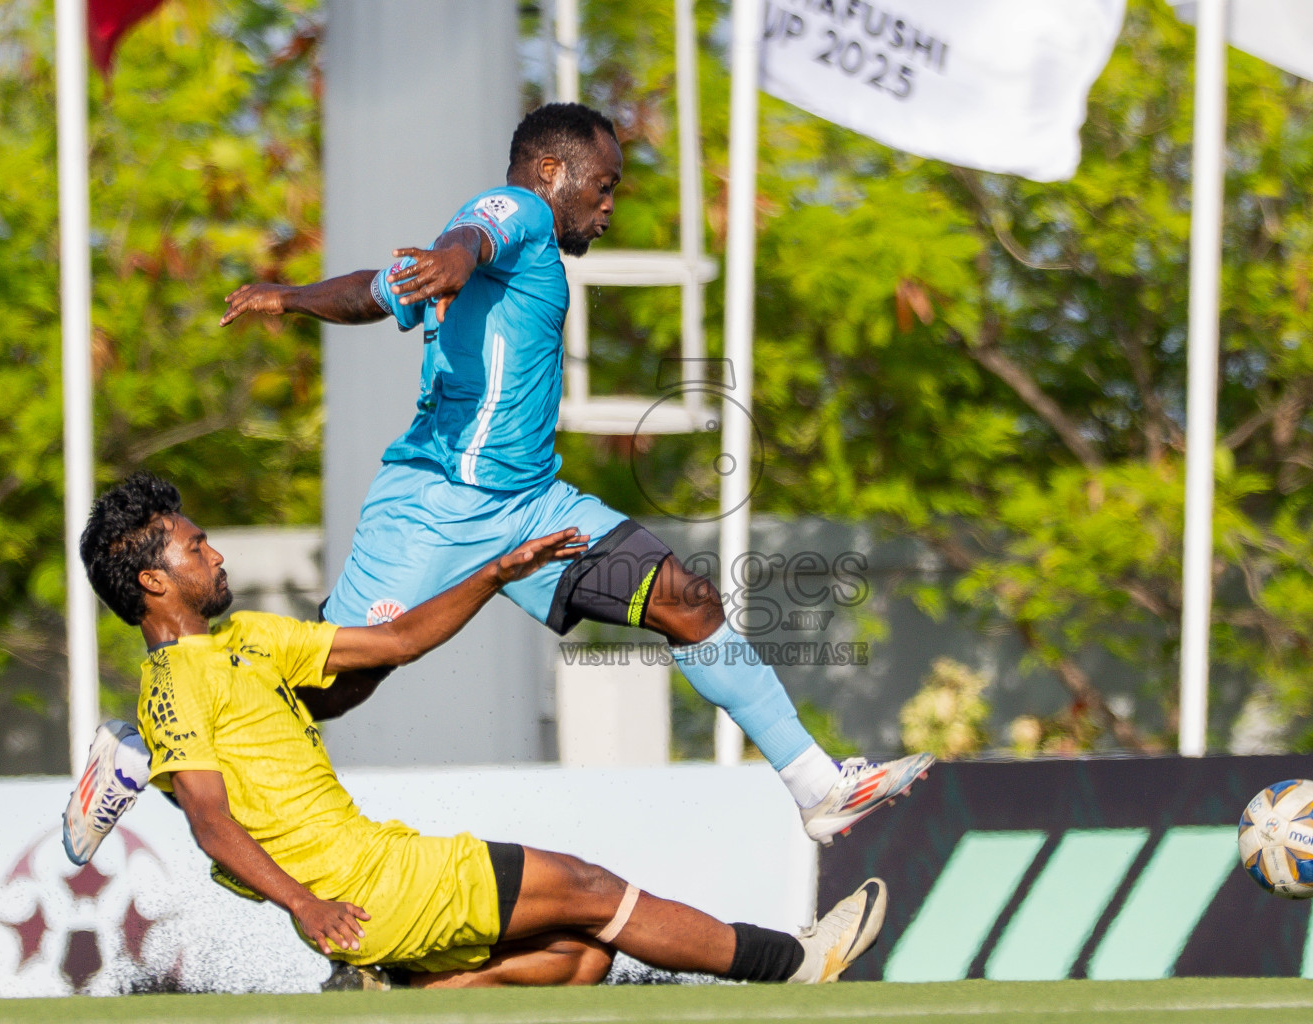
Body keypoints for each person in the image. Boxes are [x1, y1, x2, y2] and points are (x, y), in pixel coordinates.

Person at [213, 101, 931, 842]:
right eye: (604, 186)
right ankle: (148, 743)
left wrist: (292, 296)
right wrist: (457, 256)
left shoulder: (514, 257)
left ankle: (817, 786)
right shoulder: (517, 209)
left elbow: (373, 290)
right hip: (439, 505)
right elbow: (476, 231)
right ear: (553, 172)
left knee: (685, 599)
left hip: (531, 505)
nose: (609, 206)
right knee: (334, 683)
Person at [68, 473, 886, 989]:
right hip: (363, 889)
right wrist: (307, 906)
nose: (214, 553)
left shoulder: (247, 637)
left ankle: (396, 999)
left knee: (581, 958)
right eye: (194, 546)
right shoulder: (175, 686)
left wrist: (494, 573)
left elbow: (395, 641)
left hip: (376, 868)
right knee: (591, 887)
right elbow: (212, 823)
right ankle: (796, 963)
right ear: (152, 580)